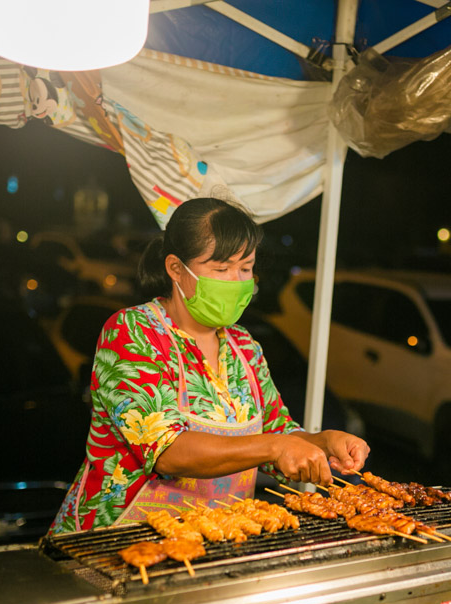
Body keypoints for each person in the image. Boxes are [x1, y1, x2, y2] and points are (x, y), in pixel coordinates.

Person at [51, 198, 369, 532]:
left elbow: (275, 431)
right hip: (119, 537)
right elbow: (167, 451)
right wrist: (275, 447)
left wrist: (322, 443)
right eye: (221, 269)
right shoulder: (133, 333)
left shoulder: (243, 346)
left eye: (245, 268)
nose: (236, 281)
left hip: (215, 539)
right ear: (175, 268)